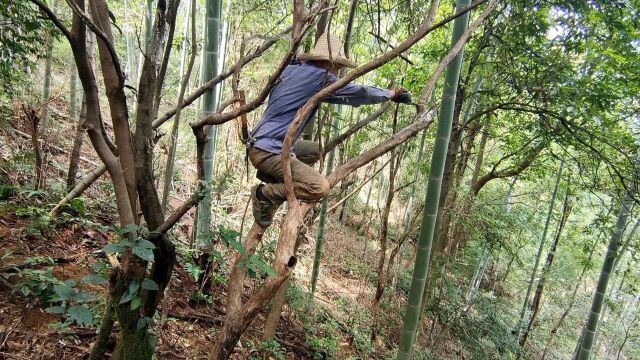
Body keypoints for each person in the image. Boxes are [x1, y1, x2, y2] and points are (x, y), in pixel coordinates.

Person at [248, 32, 412, 227]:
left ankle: (272, 176)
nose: (338, 72)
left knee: (315, 150)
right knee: (319, 188)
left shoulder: (291, 71)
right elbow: (359, 93)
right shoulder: (321, 77)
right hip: (268, 151)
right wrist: (391, 94)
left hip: (262, 141)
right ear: (328, 63)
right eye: (338, 66)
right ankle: (263, 194)